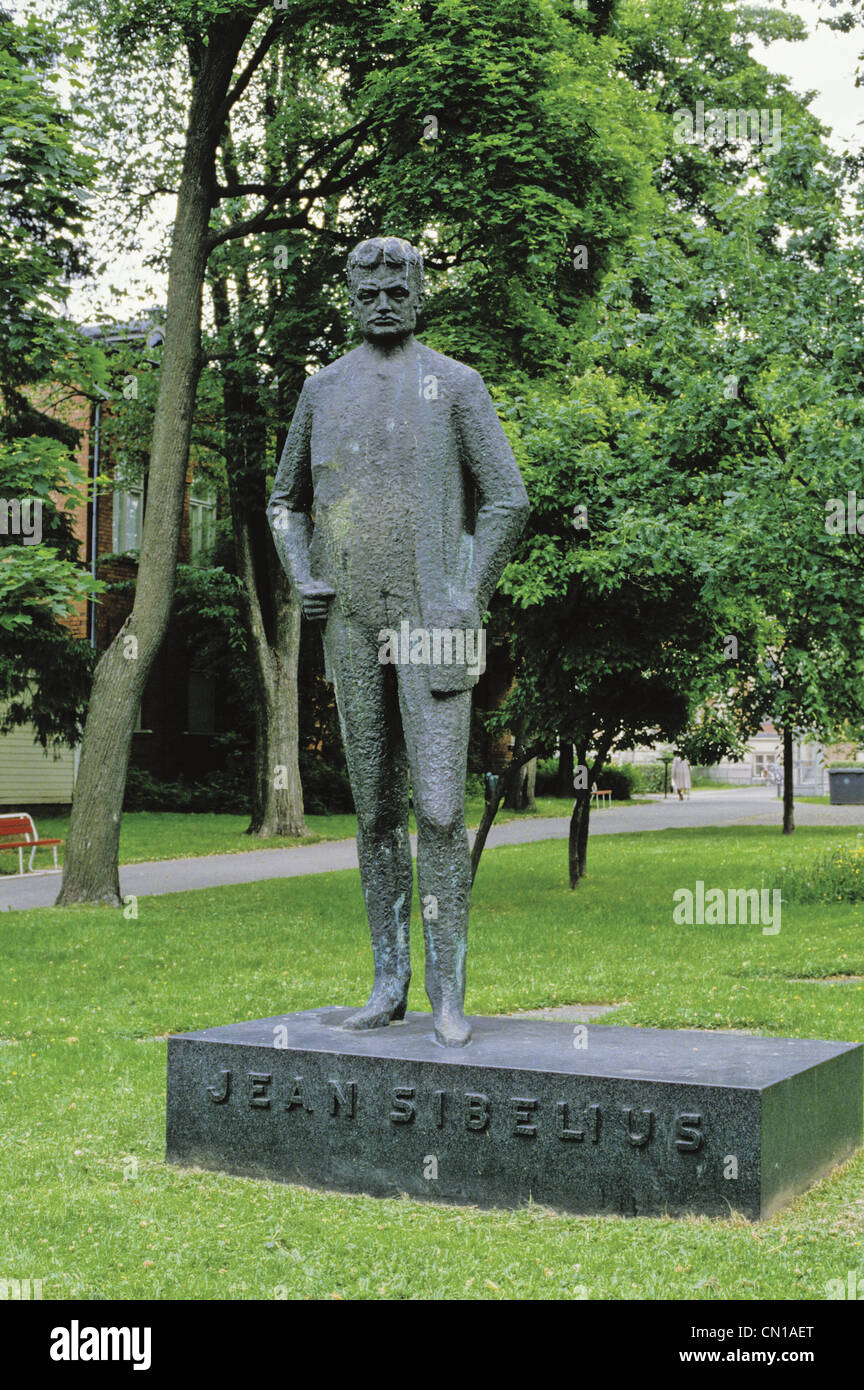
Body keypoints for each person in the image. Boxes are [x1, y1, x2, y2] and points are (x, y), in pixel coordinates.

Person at [267, 235, 529, 1046]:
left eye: (399, 286)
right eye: (369, 286)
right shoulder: (322, 390)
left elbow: (508, 502)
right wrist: (301, 572)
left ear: (421, 293)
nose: (384, 299)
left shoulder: (455, 385)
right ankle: (389, 981)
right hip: (351, 622)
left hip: (436, 622)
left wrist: (466, 593)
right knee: (376, 808)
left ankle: (449, 993)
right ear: (350, 293)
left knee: (443, 810)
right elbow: (285, 502)